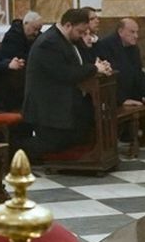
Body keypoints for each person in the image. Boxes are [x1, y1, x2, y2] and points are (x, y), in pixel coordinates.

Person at [20, 10, 111, 157]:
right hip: (47, 105)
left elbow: (83, 62)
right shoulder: (49, 43)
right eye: (80, 31)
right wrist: (94, 68)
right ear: (68, 25)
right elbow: (65, 73)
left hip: (64, 101)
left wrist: (99, 65)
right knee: (51, 143)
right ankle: (10, 154)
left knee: (81, 131)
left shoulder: (69, 39)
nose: (82, 36)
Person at [97, 18, 145, 105]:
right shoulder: (105, 46)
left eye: (137, 32)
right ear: (120, 32)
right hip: (115, 98)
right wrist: (122, 100)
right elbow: (111, 77)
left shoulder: (134, 48)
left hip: (131, 92)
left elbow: (138, 71)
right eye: (132, 32)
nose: (136, 36)